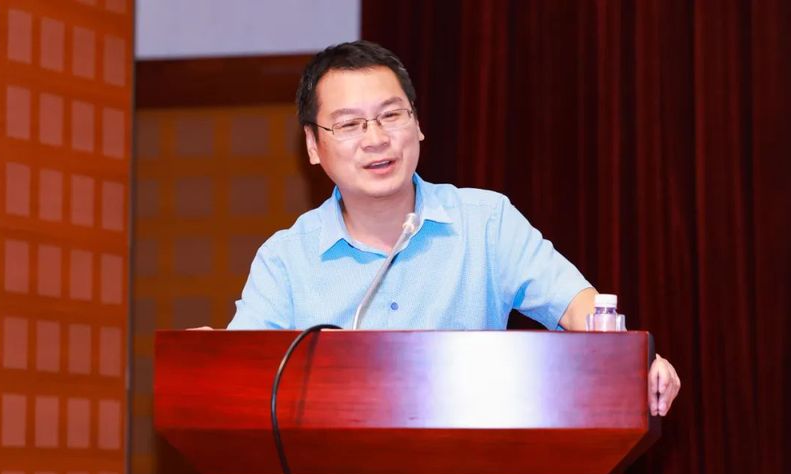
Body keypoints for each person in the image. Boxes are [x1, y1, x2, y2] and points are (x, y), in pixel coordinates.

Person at [227, 40, 680, 416]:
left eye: (391, 115)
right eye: (349, 124)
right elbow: (237, 375)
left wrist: (632, 361)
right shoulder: (285, 259)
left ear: (417, 124)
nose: (376, 139)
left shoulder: (485, 221)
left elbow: (576, 304)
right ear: (313, 144)